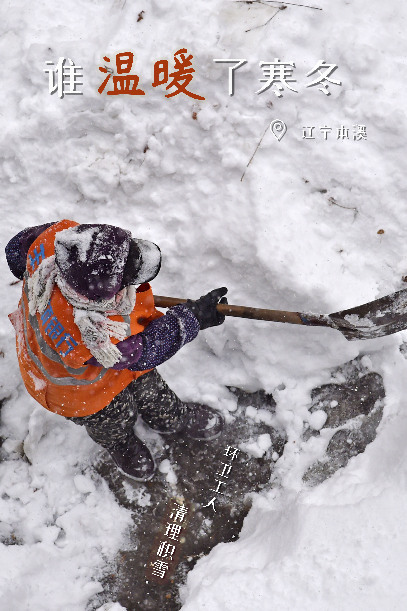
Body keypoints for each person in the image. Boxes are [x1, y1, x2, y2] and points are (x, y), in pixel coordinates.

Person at [5, 220, 228, 481]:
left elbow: (14, 252)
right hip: (77, 389)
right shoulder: (90, 333)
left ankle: (170, 417)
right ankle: (120, 443)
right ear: (96, 300)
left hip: (120, 359)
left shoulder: (59, 239)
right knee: (111, 416)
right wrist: (192, 319)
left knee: (150, 389)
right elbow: (145, 351)